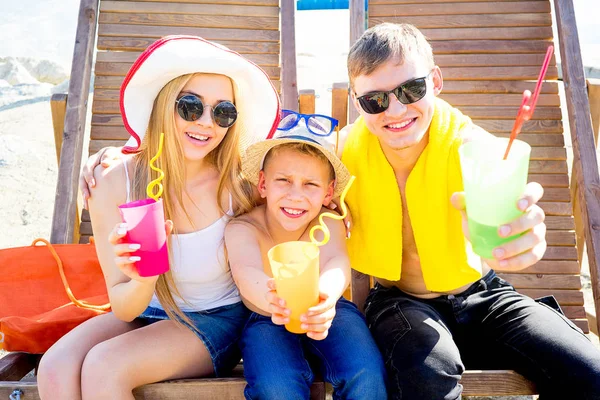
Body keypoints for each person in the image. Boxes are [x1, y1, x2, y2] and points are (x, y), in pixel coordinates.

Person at [341, 22, 600, 399]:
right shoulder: (343, 153)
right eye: (374, 100)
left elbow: (514, 209)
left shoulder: (475, 148)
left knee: (589, 373)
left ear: (436, 80)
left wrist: (525, 236)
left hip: (485, 296)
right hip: (399, 301)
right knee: (427, 373)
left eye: (411, 89)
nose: (395, 110)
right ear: (355, 101)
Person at [37, 35, 280, 400]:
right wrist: (141, 277)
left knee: (105, 366)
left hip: (216, 319)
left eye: (223, 111)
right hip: (143, 310)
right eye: (190, 106)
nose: (206, 123)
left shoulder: (240, 182)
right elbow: (124, 305)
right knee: (55, 368)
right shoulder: (114, 182)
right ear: (165, 103)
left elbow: (304, 167)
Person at [224, 111, 387, 399]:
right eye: (283, 180)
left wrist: (325, 296)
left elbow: (336, 261)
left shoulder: (326, 222)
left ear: (328, 192)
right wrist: (271, 297)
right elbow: (245, 270)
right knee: (276, 385)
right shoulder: (244, 227)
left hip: (326, 312)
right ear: (263, 184)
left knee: (366, 372)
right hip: (267, 317)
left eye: (310, 184)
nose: (296, 195)